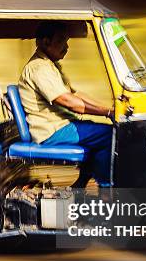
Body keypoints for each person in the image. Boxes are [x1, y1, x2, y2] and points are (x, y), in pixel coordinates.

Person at [18, 21, 114, 188]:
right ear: (46, 42)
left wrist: (111, 110)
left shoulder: (51, 65)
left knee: (98, 131)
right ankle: (107, 191)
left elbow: (75, 95)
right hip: (51, 131)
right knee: (109, 135)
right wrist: (107, 113)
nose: (67, 47)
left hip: (62, 125)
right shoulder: (38, 68)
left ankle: (80, 186)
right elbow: (69, 102)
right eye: (62, 40)